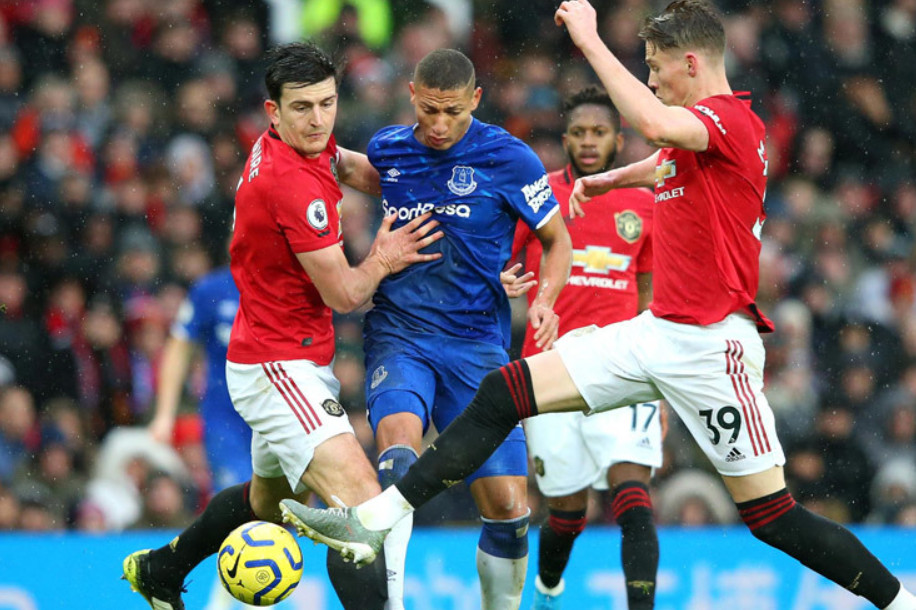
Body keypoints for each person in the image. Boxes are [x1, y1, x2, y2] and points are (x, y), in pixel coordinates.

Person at [279, 4, 916, 610]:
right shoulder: (703, 137)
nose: (652, 79)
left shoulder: (730, 120)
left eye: (655, 67)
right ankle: (375, 519)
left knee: (772, 517)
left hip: (713, 347)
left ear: (690, 63)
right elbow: (666, 160)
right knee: (505, 392)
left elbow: (659, 128)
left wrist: (587, 36)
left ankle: (898, 599)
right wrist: (611, 179)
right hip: (654, 332)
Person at [121, 41, 443, 610]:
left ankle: (161, 569)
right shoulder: (288, 185)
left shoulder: (295, 144)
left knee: (264, 506)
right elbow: (346, 293)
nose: (318, 119)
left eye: (327, 103)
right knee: (369, 510)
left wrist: (429, 188)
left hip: (277, 354)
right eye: (303, 108)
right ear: (273, 111)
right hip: (279, 368)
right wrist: (385, 257)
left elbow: (348, 165)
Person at [285, 48, 572, 610]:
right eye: (430, 110)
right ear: (412, 95)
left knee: (509, 509)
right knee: (397, 459)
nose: (440, 125)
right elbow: (353, 169)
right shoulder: (390, 147)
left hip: (477, 344)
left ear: (476, 100)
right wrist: (287, 143)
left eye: (454, 113)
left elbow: (556, 239)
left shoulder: (510, 159)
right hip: (401, 334)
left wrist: (545, 298)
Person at [510, 86, 662, 610]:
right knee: (567, 514)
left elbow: (648, 289)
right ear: (566, 139)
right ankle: (549, 589)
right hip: (549, 366)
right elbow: (504, 263)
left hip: (622, 364)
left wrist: (659, 381)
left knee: (633, 500)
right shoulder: (539, 196)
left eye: (599, 132)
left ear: (619, 139)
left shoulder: (645, 203)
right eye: (579, 133)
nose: (589, 142)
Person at [147, 264, 252, 492]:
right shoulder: (210, 290)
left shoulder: (292, 284)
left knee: (294, 502)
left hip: (283, 412)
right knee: (238, 497)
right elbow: (178, 348)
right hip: (225, 417)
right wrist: (164, 414)